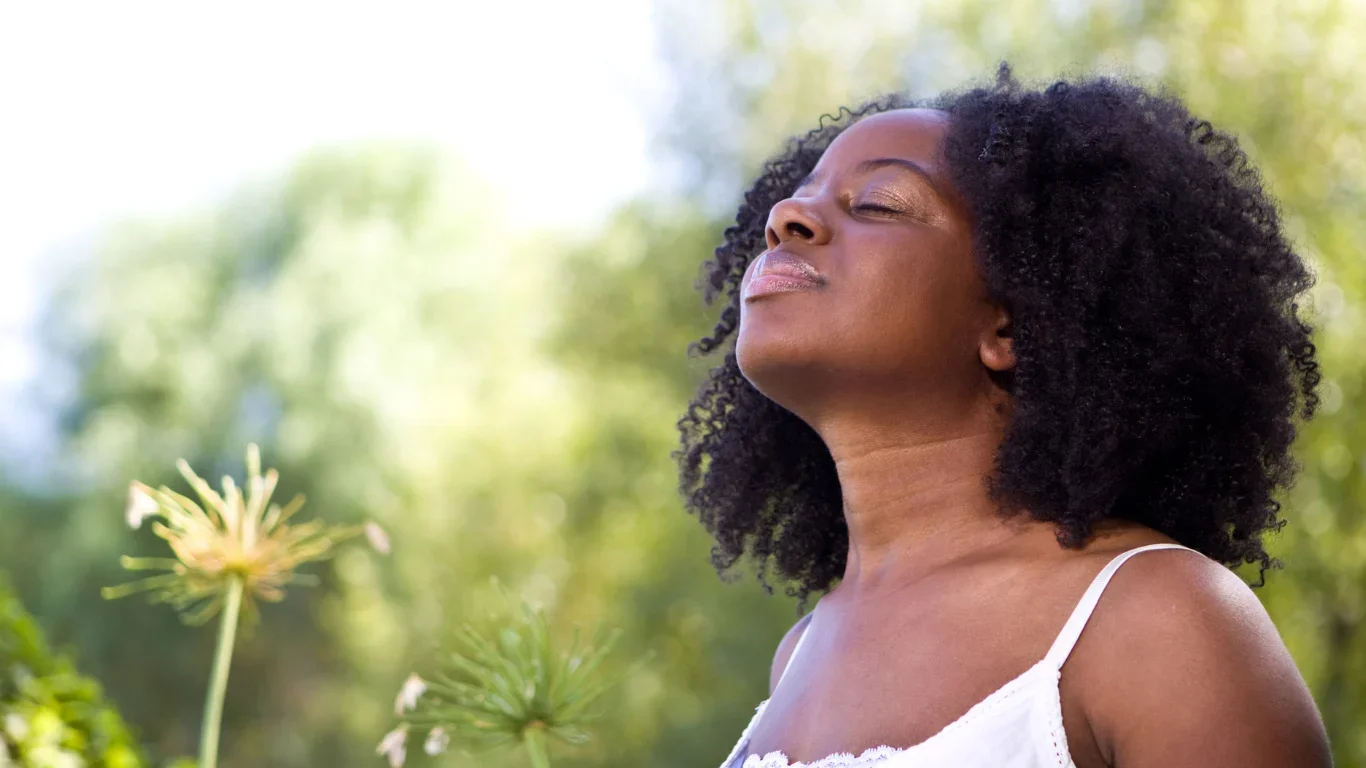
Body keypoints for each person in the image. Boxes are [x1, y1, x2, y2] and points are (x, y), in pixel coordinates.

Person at [675, 65, 1333, 768]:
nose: (786, 219)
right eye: (795, 202)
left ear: (1010, 328)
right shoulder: (799, 653)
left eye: (877, 203)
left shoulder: (1154, 617)